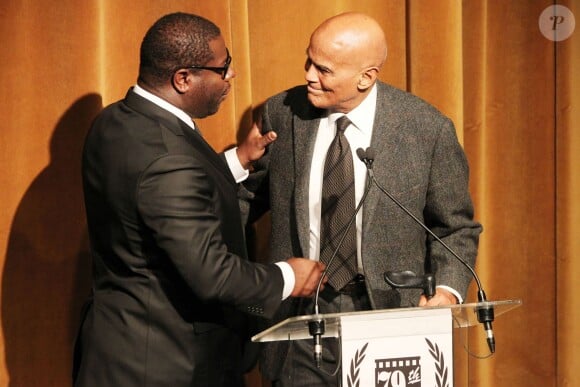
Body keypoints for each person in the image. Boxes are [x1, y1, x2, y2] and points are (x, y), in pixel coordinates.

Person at [72, 12, 326, 387]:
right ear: (183, 79)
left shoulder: (115, 121)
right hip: (165, 365)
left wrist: (236, 160)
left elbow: (154, 194)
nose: (231, 76)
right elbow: (212, 274)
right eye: (223, 68)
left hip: (115, 349)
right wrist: (288, 277)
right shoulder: (169, 159)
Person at [237, 12, 483, 387]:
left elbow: (456, 227)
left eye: (324, 69)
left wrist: (448, 292)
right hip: (302, 319)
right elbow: (244, 200)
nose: (308, 75)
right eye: (308, 60)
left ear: (366, 77)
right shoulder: (281, 113)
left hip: (391, 317)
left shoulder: (426, 129)